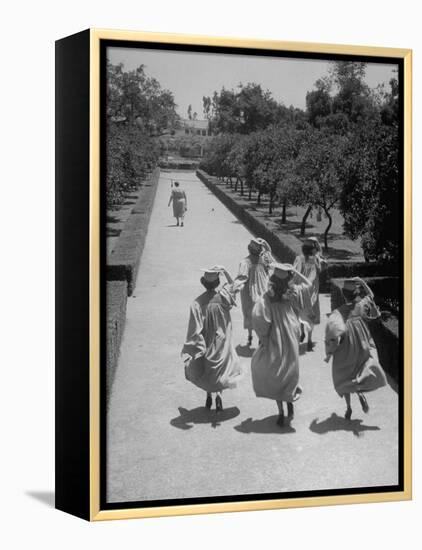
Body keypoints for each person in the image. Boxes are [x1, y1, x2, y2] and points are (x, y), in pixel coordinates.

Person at [251, 262, 312, 427]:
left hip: (275, 335)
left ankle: (280, 412)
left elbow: (260, 318)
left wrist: (263, 337)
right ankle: (290, 401)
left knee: (276, 370)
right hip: (291, 332)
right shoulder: (293, 292)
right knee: (290, 367)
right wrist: (295, 272)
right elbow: (309, 284)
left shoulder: (267, 298)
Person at [181, 266, 243, 412]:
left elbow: (194, 329)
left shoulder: (197, 303)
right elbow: (235, 285)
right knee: (221, 368)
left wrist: (195, 347)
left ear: (203, 282)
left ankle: (209, 394)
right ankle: (219, 396)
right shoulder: (224, 297)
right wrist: (225, 271)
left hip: (206, 340)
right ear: (217, 283)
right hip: (221, 339)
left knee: (206, 368)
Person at [324, 277, 387, 420]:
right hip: (362, 344)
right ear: (356, 294)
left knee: (343, 374)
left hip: (346, 346)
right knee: (361, 369)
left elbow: (333, 333)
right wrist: (362, 282)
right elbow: (371, 295)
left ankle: (349, 408)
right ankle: (359, 391)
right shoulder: (361, 305)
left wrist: (330, 352)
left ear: (343, 294)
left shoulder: (338, 312)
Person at [236, 238, 275, 347]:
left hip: (251, 291)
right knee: (260, 313)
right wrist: (265, 243)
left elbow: (241, 278)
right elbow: (270, 254)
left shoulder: (247, 261)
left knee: (250, 312)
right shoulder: (262, 259)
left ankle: (250, 336)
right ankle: (257, 336)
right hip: (260, 290)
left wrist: (236, 287)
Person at [293, 236, 326, 351]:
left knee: (301, 312)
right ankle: (310, 340)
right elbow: (320, 269)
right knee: (311, 314)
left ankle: (302, 333)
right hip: (312, 292)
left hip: (301, 290)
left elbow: (294, 273)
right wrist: (316, 244)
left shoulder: (299, 258)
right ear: (313, 249)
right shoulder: (316, 260)